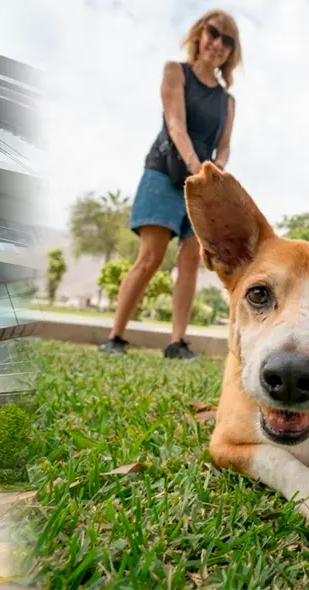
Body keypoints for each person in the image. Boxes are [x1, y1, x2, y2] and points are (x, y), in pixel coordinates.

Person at [99, 9, 242, 360]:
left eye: (228, 41)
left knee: (191, 259)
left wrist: (216, 172)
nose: (218, 44)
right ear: (200, 34)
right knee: (151, 257)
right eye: (213, 33)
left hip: (201, 185)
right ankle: (115, 337)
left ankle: (177, 342)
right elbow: (176, 124)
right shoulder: (175, 72)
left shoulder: (227, 101)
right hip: (164, 174)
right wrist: (195, 165)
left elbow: (224, 146)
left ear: (231, 51)